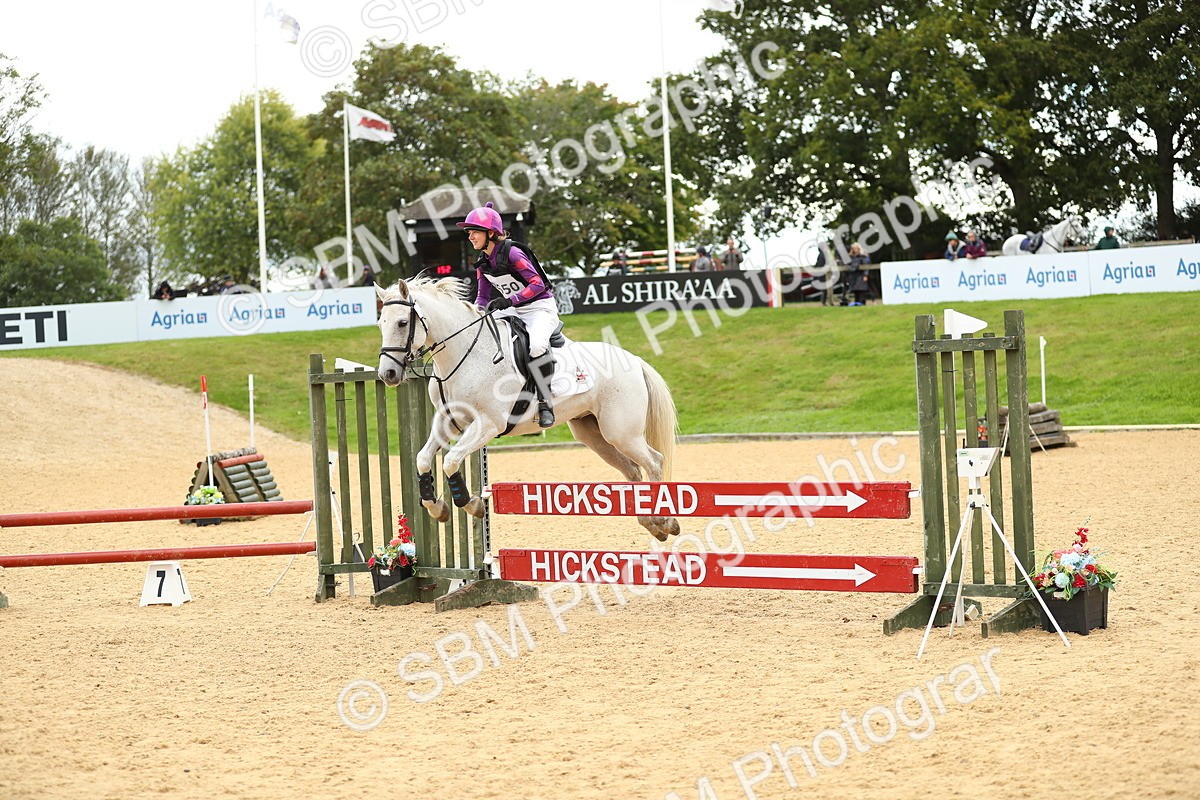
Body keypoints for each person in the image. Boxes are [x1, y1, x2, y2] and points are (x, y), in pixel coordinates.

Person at [458, 201, 560, 428]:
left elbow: (538, 284)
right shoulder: (482, 263)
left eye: (474, 232)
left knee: (535, 346)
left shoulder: (513, 253)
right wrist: (476, 316)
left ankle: (545, 402)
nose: (470, 237)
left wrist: (509, 300)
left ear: (491, 233)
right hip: (512, 309)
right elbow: (482, 298)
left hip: (539, 308)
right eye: (469, 233)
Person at [845, 242, 872, 306]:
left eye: (856, 248)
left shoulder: (863, 256)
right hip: (853, 276)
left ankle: (862, 304)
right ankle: (856, 304)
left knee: (862, 291)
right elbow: (847, 266)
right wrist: (853, 268)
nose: (855, 250)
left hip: (861, 276)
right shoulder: (850, 257)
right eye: (853, 248)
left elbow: (866, 266)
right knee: (855, 291)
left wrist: (866, 275)